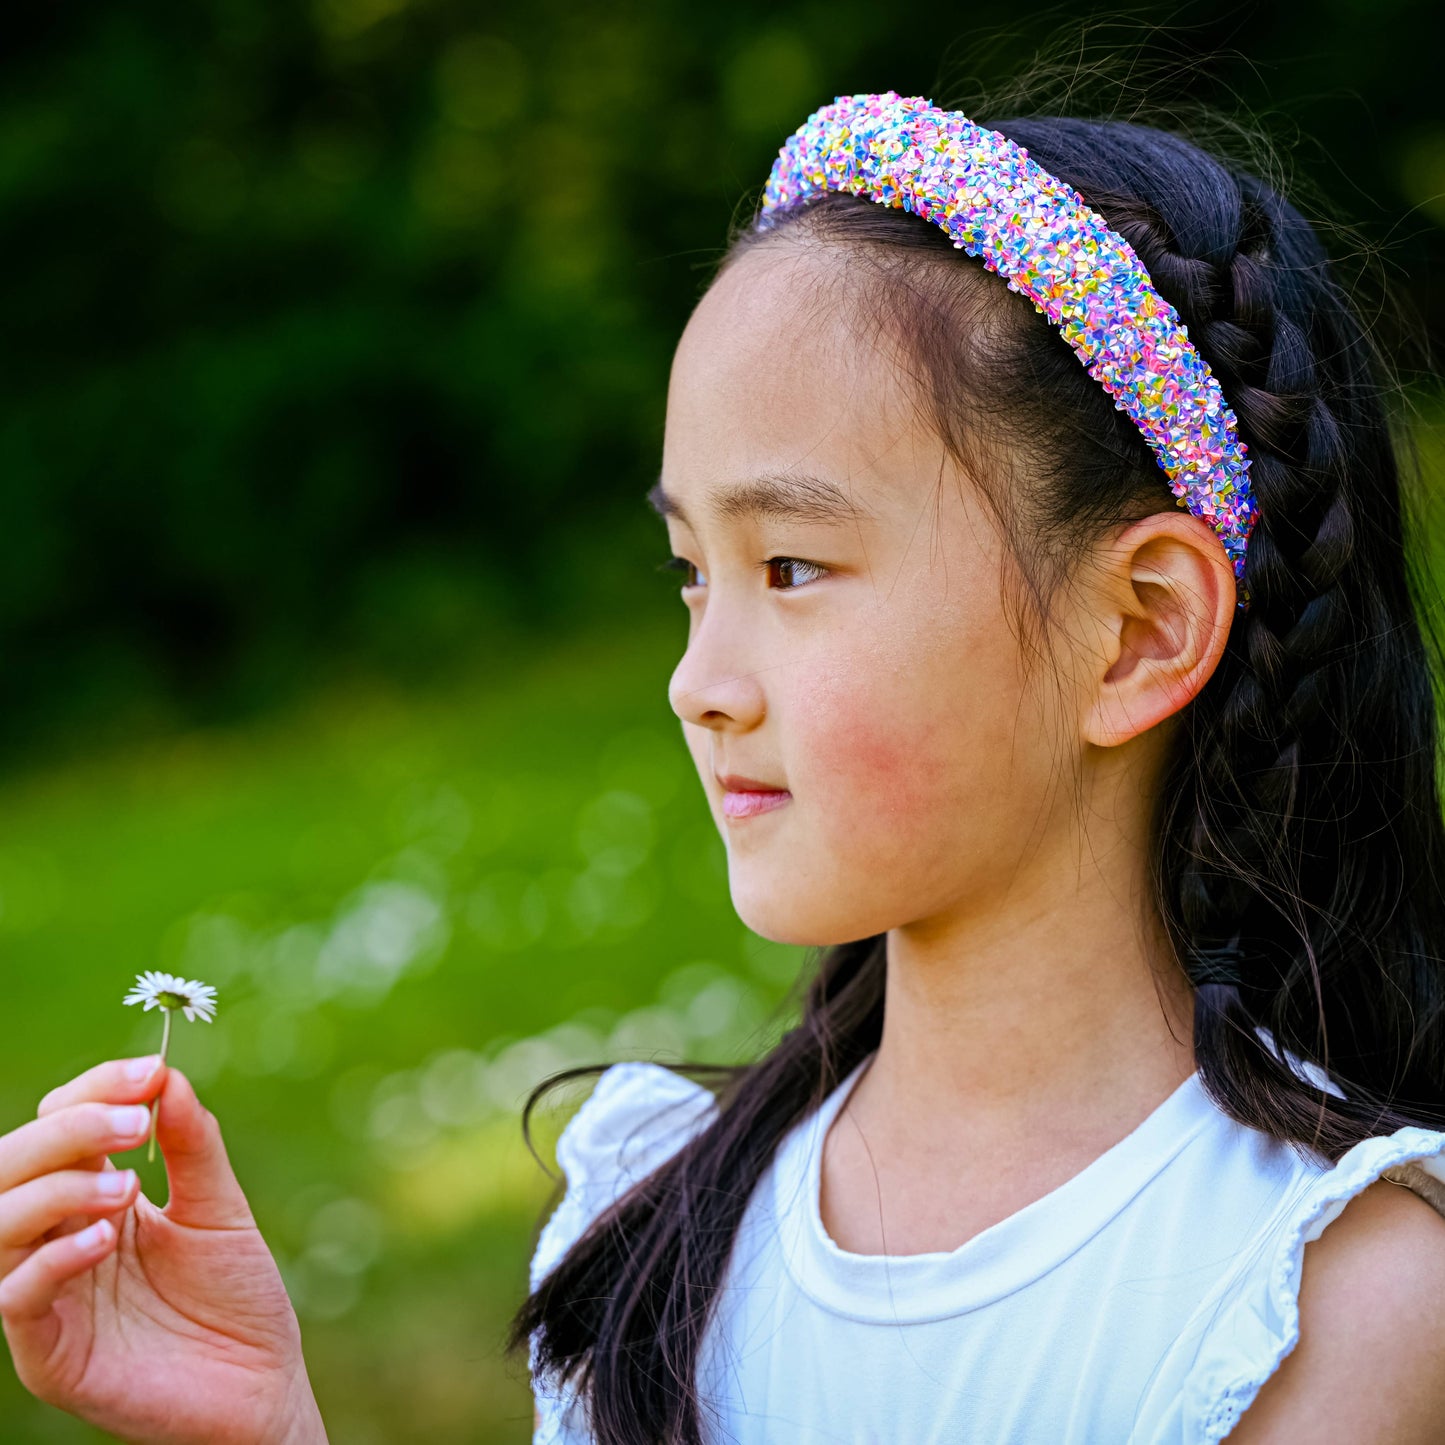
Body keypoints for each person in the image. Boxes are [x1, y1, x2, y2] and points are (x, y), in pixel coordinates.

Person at [4, 86, 1445, 1445]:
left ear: (1135, 630)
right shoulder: (648, 1217)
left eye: (793, 564)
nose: (698, 683)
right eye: (692, 571)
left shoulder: (1324, 1303)